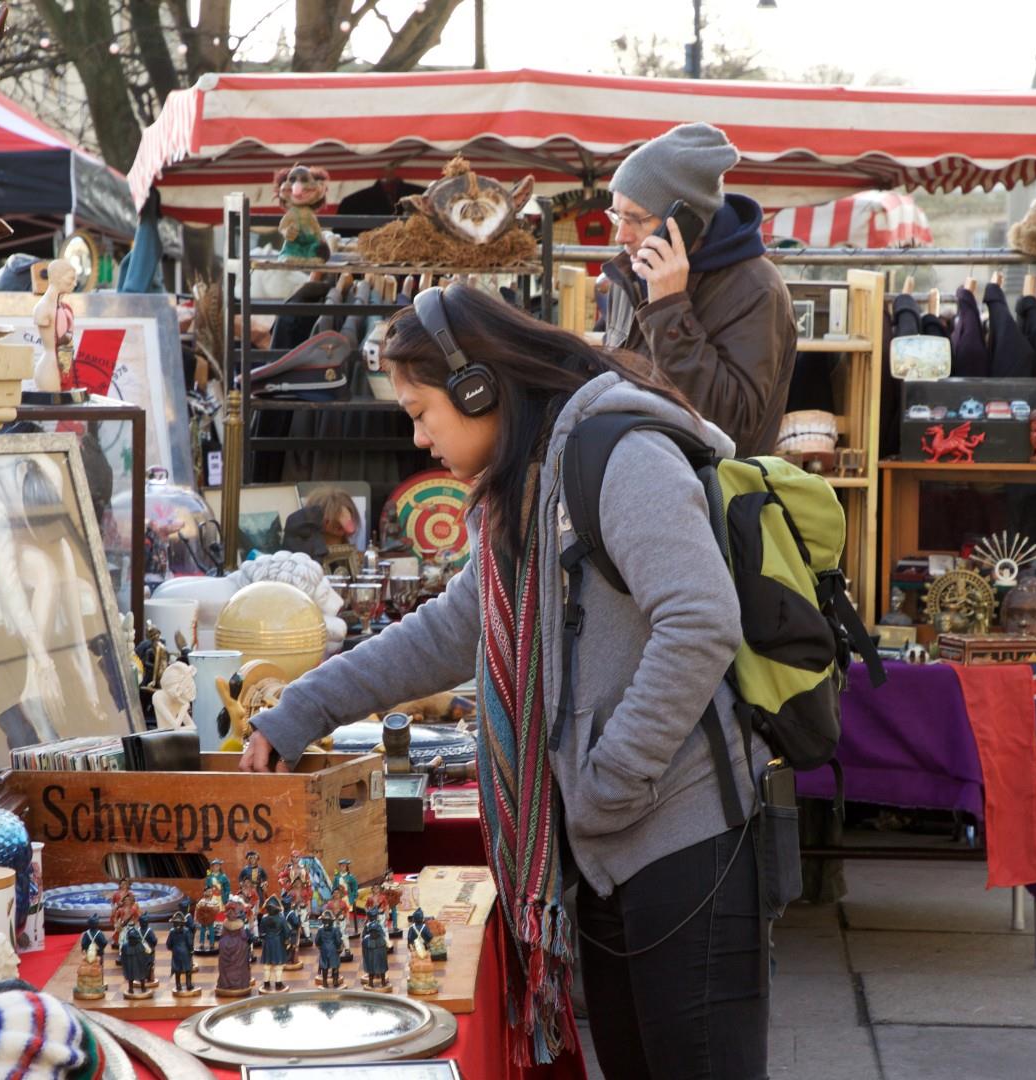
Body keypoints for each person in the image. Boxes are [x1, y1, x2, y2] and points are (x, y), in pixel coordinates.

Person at [240, 283, 768, 1078]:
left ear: (478, 386)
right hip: (609, 845)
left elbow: (700, 621)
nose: (419, 438)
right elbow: (454, 629)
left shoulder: (621, 453)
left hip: (682, 841)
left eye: (421, 412)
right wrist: (304, 707)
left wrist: (610, 779)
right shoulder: (522, 485)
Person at [599, 122, 795, 456]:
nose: (621, 236)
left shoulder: (757, 289)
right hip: (631, 477)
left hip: (710, 497)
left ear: (686, 222)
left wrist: (670, 309)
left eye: (636, 219)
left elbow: (732, 428)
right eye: (618, 216)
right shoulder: (632, 275)